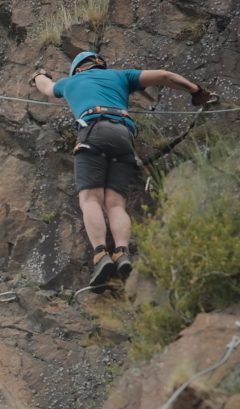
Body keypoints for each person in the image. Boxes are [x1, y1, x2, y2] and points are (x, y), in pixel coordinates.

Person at [30, 51, 215, 291]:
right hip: (123, 137)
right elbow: (165, 75)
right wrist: (196, 92)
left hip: (93, 131)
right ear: (101, 66)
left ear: (77, 69)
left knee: (90, 199)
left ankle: (101, 255)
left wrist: (38, 75)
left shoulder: (71, 82)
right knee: (116, 204)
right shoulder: (120, 76)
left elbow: (47, 87)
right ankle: (122, 253)